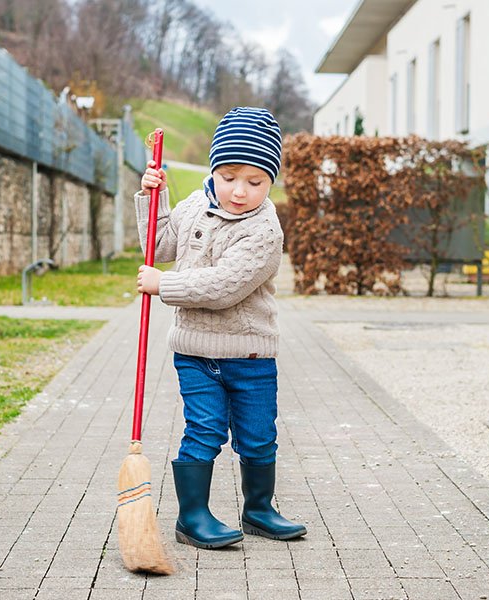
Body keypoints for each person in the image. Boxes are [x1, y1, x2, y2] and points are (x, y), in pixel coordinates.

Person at [134, 107, 304, 549]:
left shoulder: (265, 229)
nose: (240, 191)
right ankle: (192, 516)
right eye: (229, 176)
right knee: (204, 429)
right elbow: (158, 244)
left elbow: (224, 287)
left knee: (258, 434)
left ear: (271, 182)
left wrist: (162, 284)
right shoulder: (195, 205)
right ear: (213, 170)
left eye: (256, 181)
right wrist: (153, 199)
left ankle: (259, 509)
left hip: (250, 355)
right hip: (195, 352)